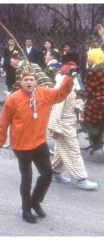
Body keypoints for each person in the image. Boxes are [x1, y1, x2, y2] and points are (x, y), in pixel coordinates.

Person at [0, 67, 77, 224]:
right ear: (21, 83)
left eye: (32, 80)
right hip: (21, 146)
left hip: (39, 142)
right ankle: (26, 209)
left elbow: (61, 94)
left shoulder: (44, 93)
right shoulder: (13, 99)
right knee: (27, 178)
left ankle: (35, 202)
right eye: (26, 80)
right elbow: (3, 121)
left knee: (47, 174)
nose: (29, 82)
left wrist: (69, 78)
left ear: (36, 82)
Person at [48, 62, 98, 190]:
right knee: (73, 151)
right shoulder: (63, 88)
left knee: (61, 150)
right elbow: (56, 110)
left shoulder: (71, 87)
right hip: (63, 125)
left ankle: (55, 172)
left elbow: (74, 102)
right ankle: (82, 179)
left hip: (69, 123)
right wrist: (55, 128)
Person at [78, 48, 104, 152]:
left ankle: (96, 141)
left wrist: (79, 92)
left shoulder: (93, 72)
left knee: (86, 121)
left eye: (89, 57)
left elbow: (88, 90)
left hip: (97, 102)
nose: (88, 59)